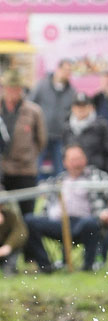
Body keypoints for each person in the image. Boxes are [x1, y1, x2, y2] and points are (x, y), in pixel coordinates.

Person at [23, 144, 108, 272]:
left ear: (85, 159)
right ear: (65, 162)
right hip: (58, 223)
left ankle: (88, 266)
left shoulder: (98, 177)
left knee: (91, 223)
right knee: (29, 220)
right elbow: (44, 203)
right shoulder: (59, 180)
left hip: (84, 223)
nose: (77, 163)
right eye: (73, 160)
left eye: (80, 159)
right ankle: (46, 266)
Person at [0, 69, 47, 217]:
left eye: (16, 87)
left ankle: (27, 240)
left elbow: (41, 140)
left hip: (25, 170)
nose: (13, 91)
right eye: (9, 87)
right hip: (2, 170)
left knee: (27, 215)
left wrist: (28, 155)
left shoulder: (34, 111)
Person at [30, 59, 76, 178]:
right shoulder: (42, 85)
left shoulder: (71, 92)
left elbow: (72, 114)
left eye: (69, 71)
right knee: (35, 167)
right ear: (58, 69)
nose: (67, 73)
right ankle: (37, 193)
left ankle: (59, 195)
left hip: (59, 136)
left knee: (60, 170)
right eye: (65, 70)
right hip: (41, 134)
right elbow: (30, 104)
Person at [62, 92, 108, 179]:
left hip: (96, 174)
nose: (81, 109)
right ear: (73, 108)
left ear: (91, 107)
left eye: (84, 106)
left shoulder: (101, 126)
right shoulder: (67, 128)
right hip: (74, 175)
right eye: (78, 106)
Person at [0, 196, 28, 275]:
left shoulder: (10, 215)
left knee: (16, 245)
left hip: (5, 249)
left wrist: (8, 246)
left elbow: (21, 232)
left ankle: (9, 268)